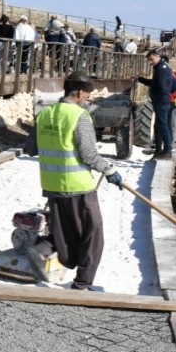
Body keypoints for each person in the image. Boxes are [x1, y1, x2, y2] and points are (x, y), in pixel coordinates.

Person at [23, 73, 123, 291]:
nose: (87, 99)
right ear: (79, 93)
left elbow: (29, 148)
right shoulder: (79, 116)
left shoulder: (45, 114)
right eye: (87, 95)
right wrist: (110, 170)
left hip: (52, 186)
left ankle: (40, 249)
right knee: (92, 235)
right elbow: (88, 154)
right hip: (79, 188)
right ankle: (82, 285)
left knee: (64, 232)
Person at [136, 49, 176, 159]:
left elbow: (161, 85)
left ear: (157, 56)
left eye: (151, 60)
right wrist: (140, 79)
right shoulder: (164, 67)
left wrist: (156, 92)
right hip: (163, 100)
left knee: (163, 126)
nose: (150, 62)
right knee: (159, 125)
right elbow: (170, 85)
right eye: (149, 60)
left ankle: (167, 151)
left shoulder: (161, 69)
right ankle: (159, 150)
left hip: (161, 100)